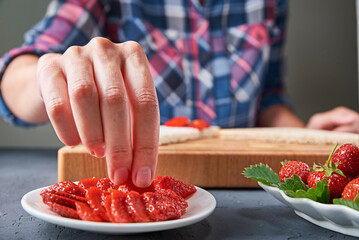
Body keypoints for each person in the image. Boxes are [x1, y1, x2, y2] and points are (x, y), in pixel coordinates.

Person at [0, 0, 358, 188]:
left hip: (251, 188)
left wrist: (308, 139)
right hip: (138, 184)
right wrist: (50, 76)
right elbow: (15, 77)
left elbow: (269, 98)